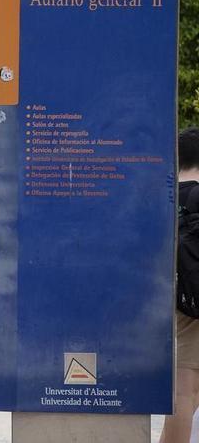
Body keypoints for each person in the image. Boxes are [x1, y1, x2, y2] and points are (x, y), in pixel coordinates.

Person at [161, 128, 199, 443]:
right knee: (186, 389)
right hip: (194, 301)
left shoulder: (166, 196)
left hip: (176, 299)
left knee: (185, 388)